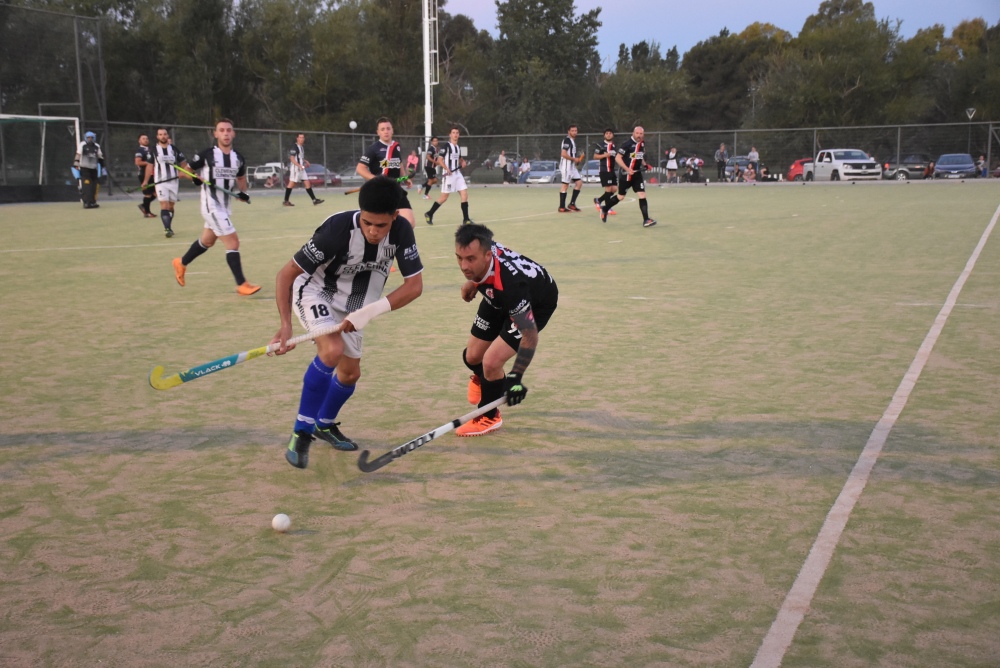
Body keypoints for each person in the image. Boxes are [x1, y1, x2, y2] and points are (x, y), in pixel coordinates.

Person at [272, 176, 424, 468]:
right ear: (360, 213)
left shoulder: (402, 231)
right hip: (317, 293)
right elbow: (286, 275)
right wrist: (285, 325)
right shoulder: (337, 229)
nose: (373, 231)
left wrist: (367, 313)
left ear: (394, 216)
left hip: (357, 306)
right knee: (331, 350)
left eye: (381, 225)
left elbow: (414, 286)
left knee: (350, 374)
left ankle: (324, 424)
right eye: (368, 223)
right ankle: (301, 431)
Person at [454, 223, 558, 436]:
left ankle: (489, 417)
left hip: (534, 304)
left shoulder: (511, 285)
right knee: (472, 357)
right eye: (459, 258)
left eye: (470, 259)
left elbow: (530, 333)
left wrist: (515, 377)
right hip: (497, 295)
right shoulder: (485, 250)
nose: (464, 266)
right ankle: (487, 381)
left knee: (491, 362)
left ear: (486, 255)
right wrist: (472, 282)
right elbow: (479, 268)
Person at [171, 118, 260, 296]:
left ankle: (181, 262)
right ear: (216, 134)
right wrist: (195, 177)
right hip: (211, 206)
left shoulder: (238, 158)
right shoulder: (207, 154)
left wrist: (243, 193)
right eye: (222, 130)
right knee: (233, 242)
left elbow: (241, 180)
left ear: (233, 133)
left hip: (225, 207)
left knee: (207, 241)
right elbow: (184, 172)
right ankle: (242, 284)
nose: (226, 133)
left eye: (229, 130)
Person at [357, 117, 414, 226]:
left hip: (396, 189)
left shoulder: (396, 146)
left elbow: (399, 163)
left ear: (392, 130)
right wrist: (376, 179)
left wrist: (404, 177)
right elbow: (360, 168)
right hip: (380, 191)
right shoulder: (373, 149)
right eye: (382, 129)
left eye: (388, 128)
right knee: (382, 224)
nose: (386, 131)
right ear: (378, 132)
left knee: (409, 223)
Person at [602, 126, 657, 227]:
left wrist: (645, 165)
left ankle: (646, 220)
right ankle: (605, 208)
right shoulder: (626, 144)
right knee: (620, 197)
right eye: (637, 133)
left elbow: (639, 156)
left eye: (641, 134)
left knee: (642, 195)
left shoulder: (642, 144)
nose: (639, 135)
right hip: (625, 175)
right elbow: (618, 158)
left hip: (637, 175)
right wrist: (627, 169)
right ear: (633, 133)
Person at [425, 125, 473, 226]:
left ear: (459, 135)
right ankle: (429, 213)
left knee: (464, 194)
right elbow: (440, 160)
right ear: (450, 135)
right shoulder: (446, 146)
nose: (455, 135)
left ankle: (466, 219)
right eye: (453, 133)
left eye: (457, 133)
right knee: (444, 197)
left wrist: (463, 162)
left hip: (457, 174)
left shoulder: (457, 147)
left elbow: (459, 158)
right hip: (448, 175)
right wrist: (447, 169)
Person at [149, 127, 193, 238]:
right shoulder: (154, 150)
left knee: (171, 206)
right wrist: (146, 181)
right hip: (160, 182)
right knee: (164, 204)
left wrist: (188, 175)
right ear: (157, 136)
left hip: (173, 181)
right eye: (160, 134)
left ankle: (169, 224)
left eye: (165, 134)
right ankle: (167, 229)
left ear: (167, 136)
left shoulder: (174, 149)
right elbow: (150, 166)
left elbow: (183, 164)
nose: (163, 136)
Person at [283, 133, 325, 207]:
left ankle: (314, 200)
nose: (302, 139)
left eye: (303, 137)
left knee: (307, 183)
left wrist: (305, 161)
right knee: (291, 184)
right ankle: (286, 201)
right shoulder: (294, 147)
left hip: (301, 169)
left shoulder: (301, 147)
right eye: (300, 137)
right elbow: (292, 158)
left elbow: (300, 157)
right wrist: (299, 165)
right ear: (297, 138)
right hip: (296, 169)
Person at [74, 131, 104, 209]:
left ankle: (93, 202)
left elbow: (100, 157)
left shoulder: (97, 146)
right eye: (88, 138)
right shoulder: (82, 144)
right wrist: (76, 165)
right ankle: (87, 202)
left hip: (94, 169)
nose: (90, 139)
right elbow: (78, 155)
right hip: (84, 168)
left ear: (94, 138)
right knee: (87, 186)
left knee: (94, 185)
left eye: (91, 137)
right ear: (85, 138)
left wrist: (103, 168)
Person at [558, 124, 585, 212]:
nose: (574, 132)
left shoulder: (572, 141)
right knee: (565, 186)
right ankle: (562, 207)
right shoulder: (567, 140)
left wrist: (576, 160)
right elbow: (563, 154)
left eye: (575, 131)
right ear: (568, 132)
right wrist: (574, 159)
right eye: (572, 131)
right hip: (566, 167)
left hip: (572, 167)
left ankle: (572, 204)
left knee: (579, 183)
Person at [592, 128, 619, 218]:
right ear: (604, 135)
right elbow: (595, 156)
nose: (608, 135)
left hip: (612, 170)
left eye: (610, 133)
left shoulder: (614, 146)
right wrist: (605, 155)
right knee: (608, 189)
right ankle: (607, 208)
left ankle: (598, 200)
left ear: (613, 135)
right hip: (604, 170)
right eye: (607, 133)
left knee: (614, 189)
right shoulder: (601, 145)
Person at [135, 133, 157, 219]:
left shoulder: (150, 149)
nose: (146, 140)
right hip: (143, 175)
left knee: (156, 193)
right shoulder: (140, 150)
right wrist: (149, 163)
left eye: (147, 138)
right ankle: (147, 212)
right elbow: (138, 162)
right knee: (148, 194)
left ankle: (144, 205)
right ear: (139, 141)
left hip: (152, 174)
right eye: (143, 138)